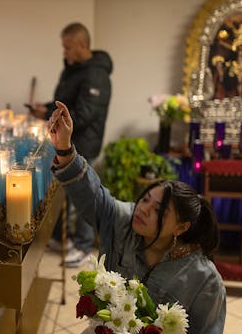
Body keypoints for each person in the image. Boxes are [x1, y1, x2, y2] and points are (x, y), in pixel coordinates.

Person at [48, 101, 226, 333]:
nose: (143, 209)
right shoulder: (124, 222)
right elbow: (93, 195)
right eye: (145, 199)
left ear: (181, 228)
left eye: (158, 210)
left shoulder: (204, 281)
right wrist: (64, 148)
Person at [29, 22, 113, 267]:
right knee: (63, 194)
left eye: (67, 48)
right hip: (68, 142)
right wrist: (45, 108)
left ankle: (85, 247)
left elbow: (84, 114)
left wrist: (50, 116)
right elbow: (64, 103)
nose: (64, 52)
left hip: (84, 143)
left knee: (84, 195)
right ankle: (60, 238)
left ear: (82, 45)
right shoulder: (73, 69)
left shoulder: (96, 73)